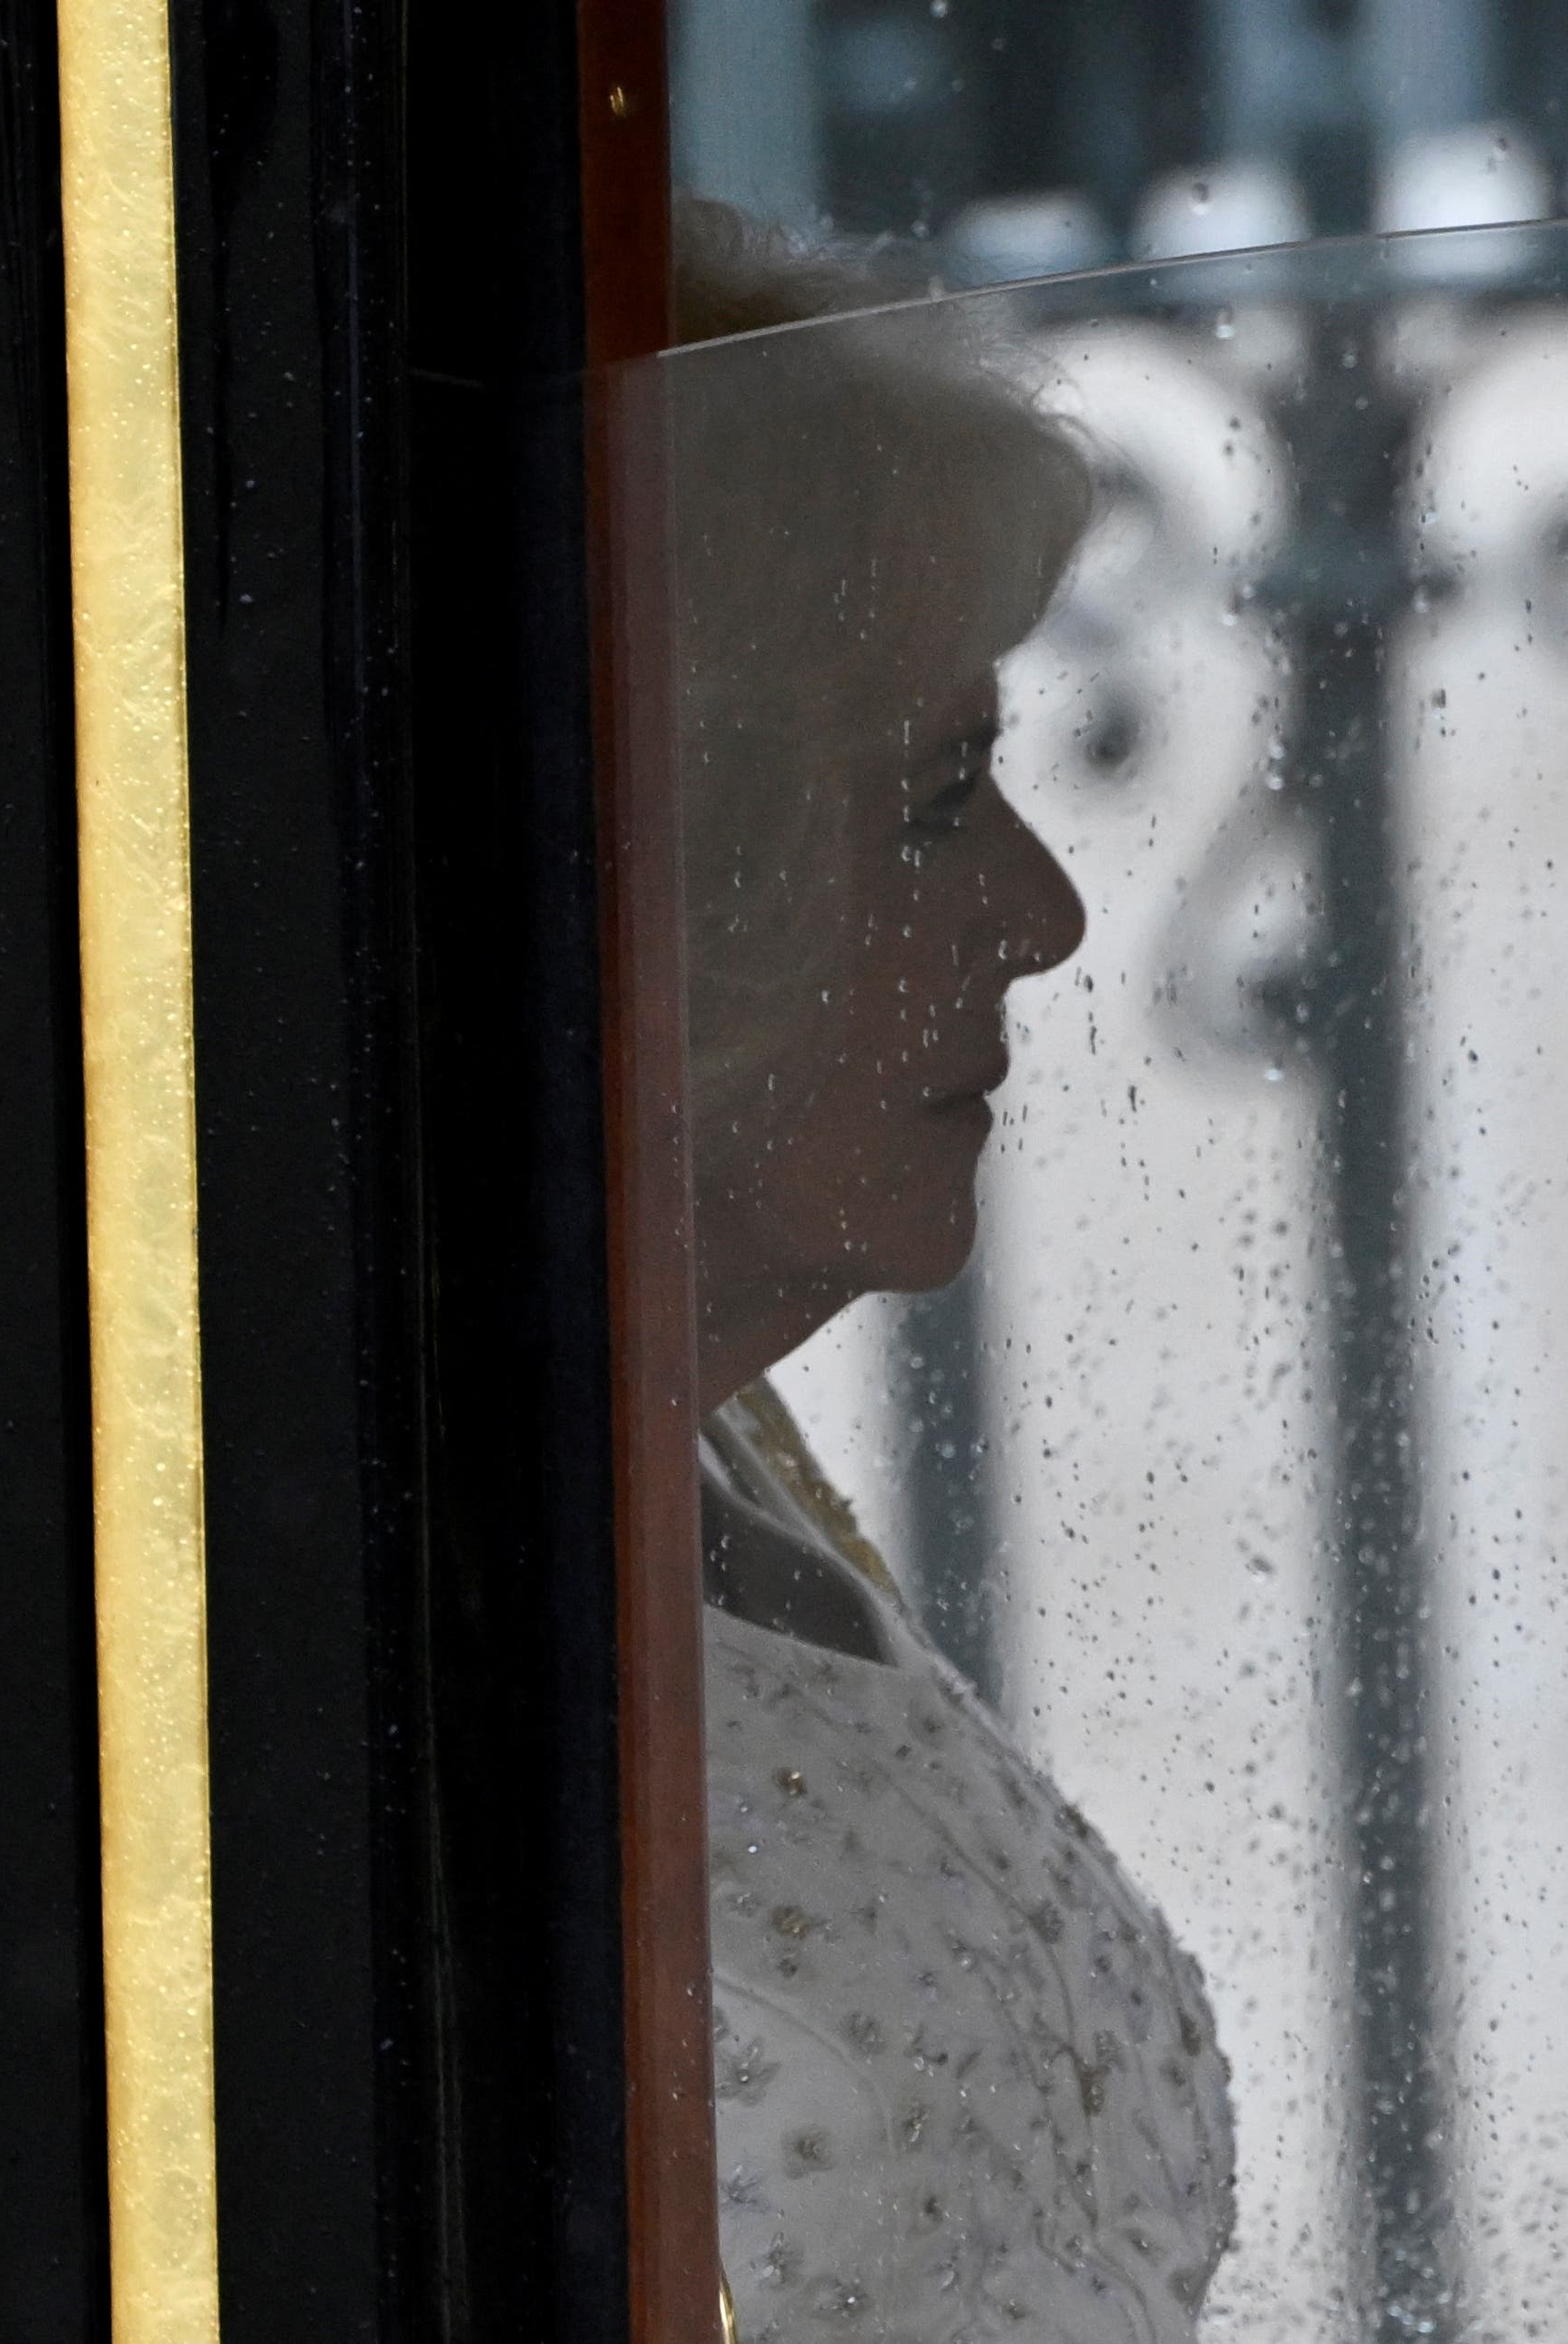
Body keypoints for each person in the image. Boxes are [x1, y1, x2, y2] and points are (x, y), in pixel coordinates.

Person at [669, 205, 1237, 2339]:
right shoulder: (257, 1648)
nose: (1040, 917)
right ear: (657, 873)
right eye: (929, 803)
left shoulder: (716, 1456)